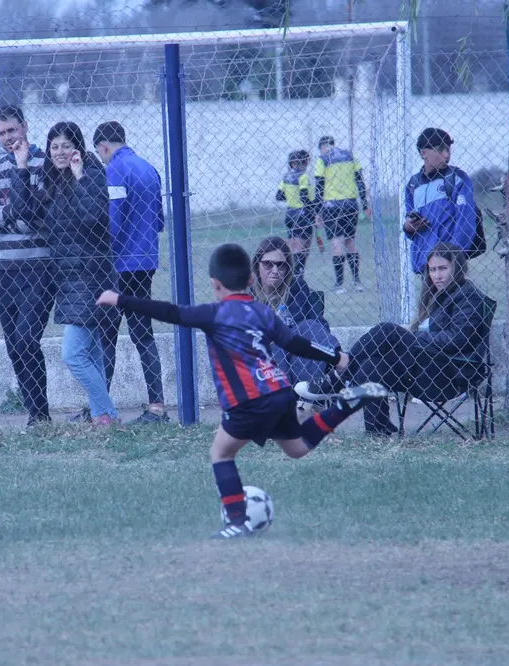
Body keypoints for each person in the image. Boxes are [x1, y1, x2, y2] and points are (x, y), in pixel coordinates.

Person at [96, 243, 388, 539]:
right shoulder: (262, 312)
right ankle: (348, 402)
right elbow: (297, 343)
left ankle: (236, 522)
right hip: (279, 390)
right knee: (296, 448)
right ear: (251, 280)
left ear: (214, 284)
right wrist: (336, 357)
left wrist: (121, 299)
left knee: (221, 453)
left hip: (249, 401)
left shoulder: (214, 313)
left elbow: (169, 312)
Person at [296, 243, 489, 436]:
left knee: (388, 330)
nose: (437, 275)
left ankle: (336, 378)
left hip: (449, 374)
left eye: (443, 268)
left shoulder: (467, 296)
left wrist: (414, 338)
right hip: (427, 366)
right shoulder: (440, 295)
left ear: (457, 267)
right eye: (432, 269)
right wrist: (414, 339)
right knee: (370, 365)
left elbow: (457, 340)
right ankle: (377, 430)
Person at [17, 121, 120, 427]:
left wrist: (78, 178)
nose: (60, 152)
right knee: (93, 353)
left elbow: (94, 218)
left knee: (73, 355)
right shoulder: (49, 179)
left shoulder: (91, 174)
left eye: (65, 145)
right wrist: (22, 168)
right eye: (54, 147)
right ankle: (103, 416)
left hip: (92, 277)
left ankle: (109, 414)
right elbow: (25, 213)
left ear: (78, 147)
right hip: (67, 279)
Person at [0, 106, 55, 426]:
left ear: (25, 127)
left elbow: (41, 219)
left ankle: (41, 413)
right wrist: (12, 214)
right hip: (5, 270)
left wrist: (6, 213)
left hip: (40, 267)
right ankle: (36, 416)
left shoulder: (45, 164)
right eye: (1, 133)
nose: (8, 138)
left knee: (26, 339)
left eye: (12, 130)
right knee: (13, 346)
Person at [93, 120, 168, 424]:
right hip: (146, 262)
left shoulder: (114, 170)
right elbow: (160, 221)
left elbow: (114, 221)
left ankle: (101, 408)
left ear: (105, 146)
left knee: (106, 337)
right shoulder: (149, 168)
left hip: (120, 265)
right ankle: (158, 406)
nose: (101, 158)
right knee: (143, 334)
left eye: (100, 153)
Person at [250, 236, 340, 384]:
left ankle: (338, 361)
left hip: (296, 352)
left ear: (287, 268)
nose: (275, 270)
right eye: (268, 264)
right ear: (257, 265)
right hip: (262, 358)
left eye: (281, 265)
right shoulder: (246, 294)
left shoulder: (296, 287)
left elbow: (318, 324)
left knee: (309, 326)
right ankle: (318, 387)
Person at [403, 128, 477, 274]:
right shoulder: (413, 185)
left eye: (448, 149)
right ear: (423, 153)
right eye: (440, 150)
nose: (447, 155)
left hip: (449, 265)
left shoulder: (457, 179)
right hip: (424, 265)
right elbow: (411, 229)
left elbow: (466, 223)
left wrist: (452, 258)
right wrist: (408, 227)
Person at [313, 135, 370, 293]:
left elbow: (319, 186)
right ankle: (357, 281)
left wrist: (317, 212)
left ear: (323, 147)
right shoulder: (350, 155)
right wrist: (364, 205)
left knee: (337, 243)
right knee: (350, 241)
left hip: (332, 206)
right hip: (351, 204)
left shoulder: (323, 159)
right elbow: (359, 180)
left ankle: (339, 284)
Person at [276, 149, 316, 276]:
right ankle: (297, 275)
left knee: (293, 247)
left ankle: (292, 273)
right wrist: (313, 212)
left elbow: (279, 196)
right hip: (302, 215)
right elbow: (304, 197)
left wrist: (291, 195)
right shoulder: (303, 176)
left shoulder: (286, 177)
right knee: (303, 249)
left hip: (290, 214)